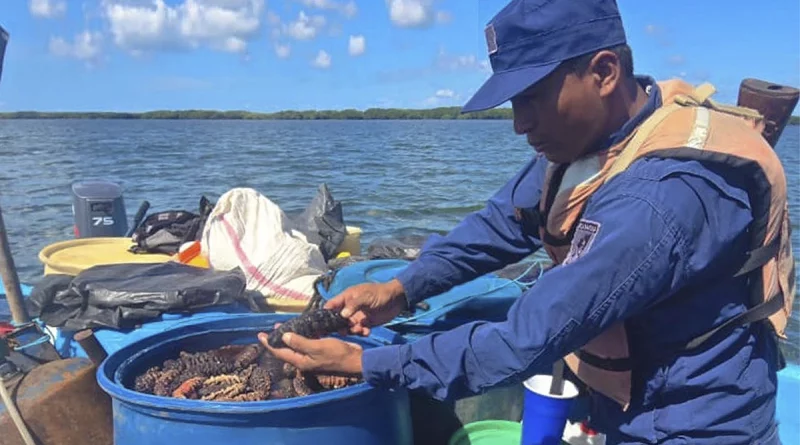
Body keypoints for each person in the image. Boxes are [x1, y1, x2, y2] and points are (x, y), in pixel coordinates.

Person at [258, 0, 795, 443]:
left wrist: (367, 363)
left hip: (696, 426)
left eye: (533, 99)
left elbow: (523, 340)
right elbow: (498, 225)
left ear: (604, 72)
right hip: (625, 408)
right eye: (513, 102)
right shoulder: (592, 144)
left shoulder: (660, 201)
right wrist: (400, 288)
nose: (519, 125)